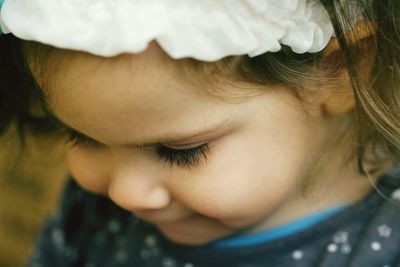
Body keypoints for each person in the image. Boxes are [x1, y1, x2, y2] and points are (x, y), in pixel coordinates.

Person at [1, 0, 400, 266]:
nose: (126, 193)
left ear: (336, 75)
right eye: (83, 136)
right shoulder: (93, 212)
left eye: (179, 151)